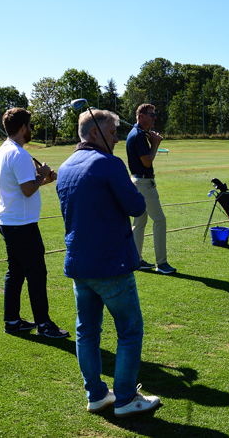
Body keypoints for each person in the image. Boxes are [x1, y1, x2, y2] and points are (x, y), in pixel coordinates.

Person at [57, 109, 162, 417]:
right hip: (110, 265)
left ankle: (97, 395)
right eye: (113, 132)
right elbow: (135, 206)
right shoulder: (109, 164)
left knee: (87, 331)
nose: (117, 138)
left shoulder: (65, 166)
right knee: (130, 329)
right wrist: (126, 183)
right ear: (94, 134)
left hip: (79, 263)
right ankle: (127, 399)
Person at [0, 107, 69, 339]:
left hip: (10, 221)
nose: (32, 130)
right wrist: (43, 173)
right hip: (21, 224)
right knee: (36, 272)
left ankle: (13, 321)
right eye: (31, 125)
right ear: (22, 128)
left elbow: (26, 186)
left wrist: (44, 178)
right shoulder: (18, 154)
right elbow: (28, 189)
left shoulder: (5, 150)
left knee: (15, 272)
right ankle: (44, 324)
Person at [126, 103, 175, 275]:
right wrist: (154, 143)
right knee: (159, 220)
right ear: (141, 116)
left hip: (137, 182)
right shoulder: (139, 135)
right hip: (144, 184)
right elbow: (147, 161)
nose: (155, 117)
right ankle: (161, 263)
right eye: (151, 114)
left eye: (155, 114)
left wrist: (151, 139)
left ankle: (136, 260)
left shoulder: (138, 133)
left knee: (139, 223)